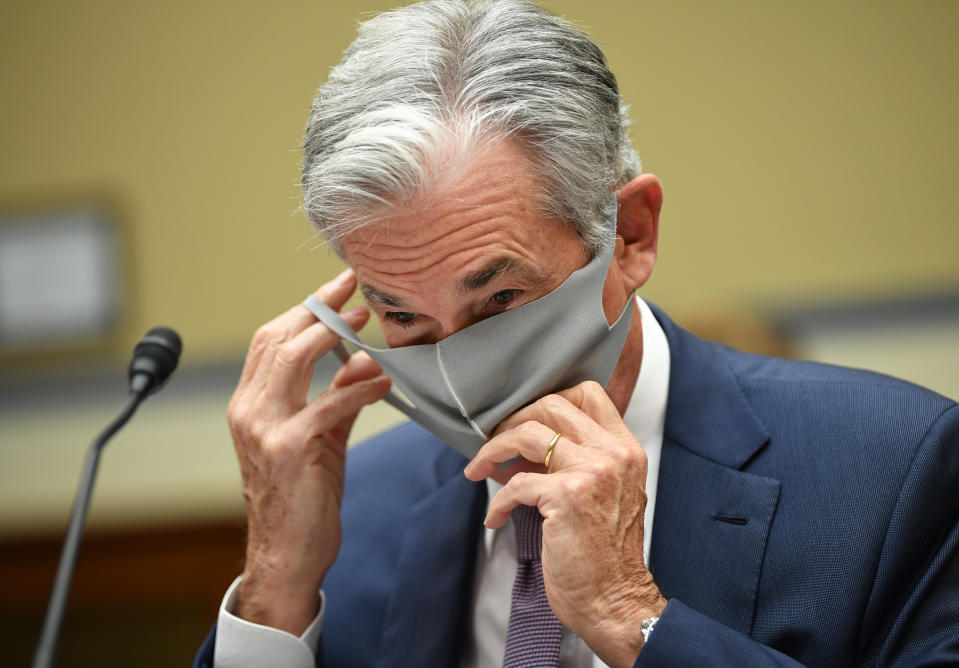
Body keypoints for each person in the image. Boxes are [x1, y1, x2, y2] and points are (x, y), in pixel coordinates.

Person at [195, 1, 959, 666]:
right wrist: (275, 584)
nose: (458, 374)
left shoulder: (894, 470)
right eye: (401, 314)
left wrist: (633, 620)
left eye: (499, 298)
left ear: (629, 236)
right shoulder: (356, 511)